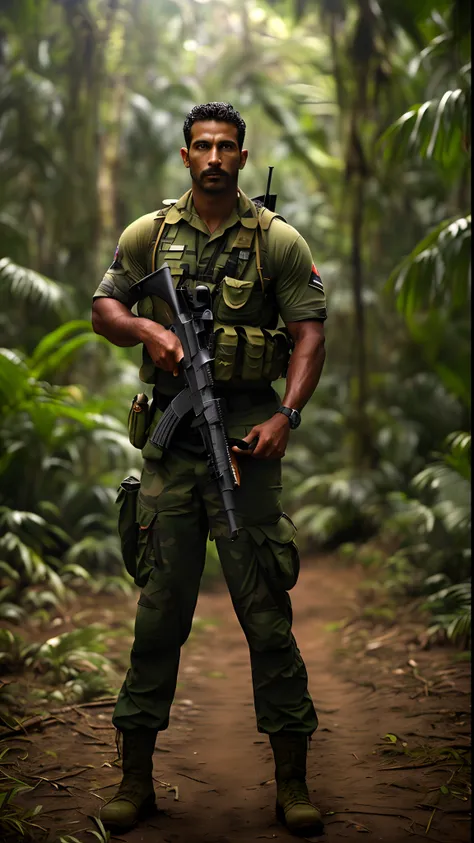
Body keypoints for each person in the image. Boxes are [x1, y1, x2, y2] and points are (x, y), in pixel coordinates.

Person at [91, 102, 327, 836]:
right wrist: (148, 328)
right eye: (204, 146)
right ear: (185, 154)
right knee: (159, 616)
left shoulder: (277, 242)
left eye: (228, 145)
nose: (216, 156)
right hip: (171, 454)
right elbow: (103, 306)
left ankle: (292, 782)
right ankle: (135, 780)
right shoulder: (149, 234)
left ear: (244, 155)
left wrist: (284, 416)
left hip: (247, 447)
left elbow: (309, 335)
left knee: (266, 615)